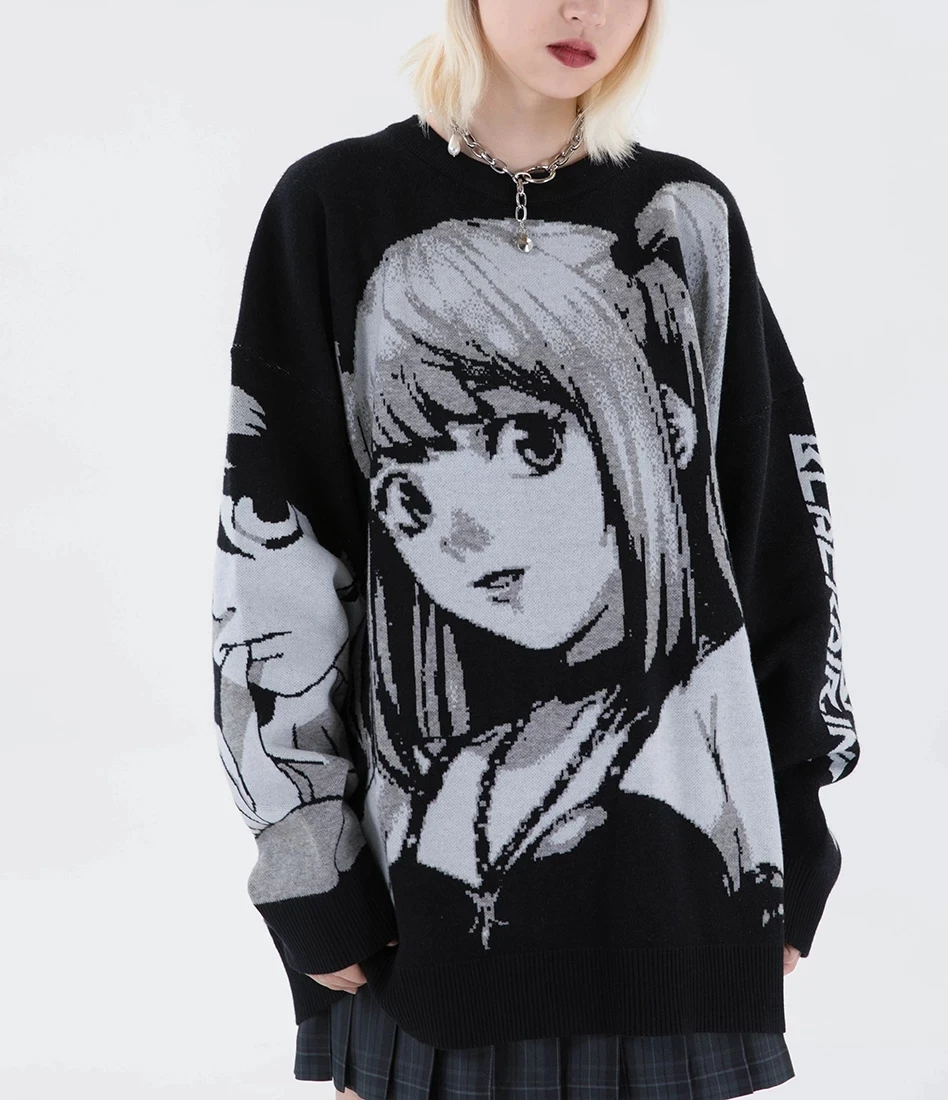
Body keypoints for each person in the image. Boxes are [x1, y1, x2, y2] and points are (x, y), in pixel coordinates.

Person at [210, 1, 861, 1097]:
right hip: (410, 931)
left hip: (681, 917)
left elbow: (772, 530)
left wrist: (793, 818)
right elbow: (279, 548)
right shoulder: (330, 204)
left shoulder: (688, 217)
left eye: (531, 442)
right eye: (413, 493)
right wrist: (305, 856)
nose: (584, 9)